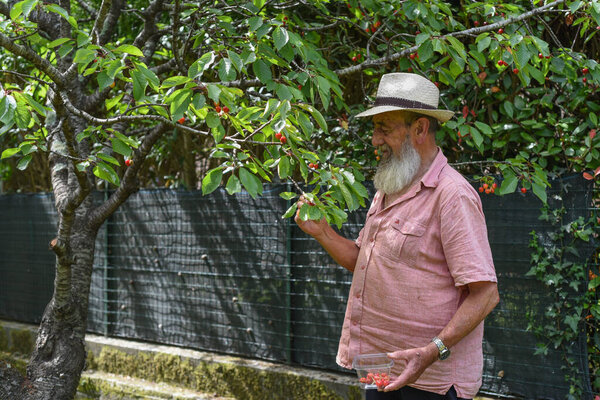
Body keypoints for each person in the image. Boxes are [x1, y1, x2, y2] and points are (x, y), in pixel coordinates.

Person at [295, 73, 499, 400]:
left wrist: (433, 351)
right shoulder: (390, 187)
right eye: (375, 129)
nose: (375, 140)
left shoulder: (453, 195)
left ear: (419, 129)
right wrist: (322, 232)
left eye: (384, 129)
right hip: (377, 365)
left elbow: (486, 295)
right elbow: (362, 259)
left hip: (430, 379)